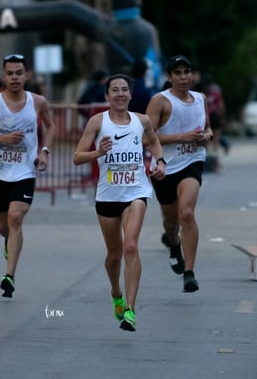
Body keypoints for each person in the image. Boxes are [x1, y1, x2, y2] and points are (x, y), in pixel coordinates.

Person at [73, 74, 166, 332]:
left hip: (136, 191)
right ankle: (116, 291)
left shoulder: (142, 121)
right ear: (107, 96)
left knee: (131, 247)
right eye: (115, 90)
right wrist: (98, 152)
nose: (120, 94)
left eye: (125, 90)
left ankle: (131, 311)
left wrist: (161, 163)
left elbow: (155, 141)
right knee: (114, 255)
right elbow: (77, 157)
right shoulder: (97, 122)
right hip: (107, 196)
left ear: (130, 94)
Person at [0, 54, 55, 299]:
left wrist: (44, 152)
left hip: (25, 171)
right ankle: (8, 242)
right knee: (4, 227)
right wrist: (1, 139)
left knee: (15, 218)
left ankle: (9, 276)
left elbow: (51, 126)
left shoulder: (38, 102)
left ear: (27, 75)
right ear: (3, 76)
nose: (14, 77)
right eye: (10, 73)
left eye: (19, 73)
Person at [146, 55, 213, 293]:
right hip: (164, 165)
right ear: (169, 76)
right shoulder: (160, 101)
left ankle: (189, 273)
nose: (184, 77)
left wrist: (207, 135)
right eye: (178, 73)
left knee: (187, 213)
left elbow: (207, 126)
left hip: (192, 160)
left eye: (187, 72)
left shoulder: (200, 98)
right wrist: (180, 137)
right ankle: (174, 246)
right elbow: (147, 136)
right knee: (171, 222)